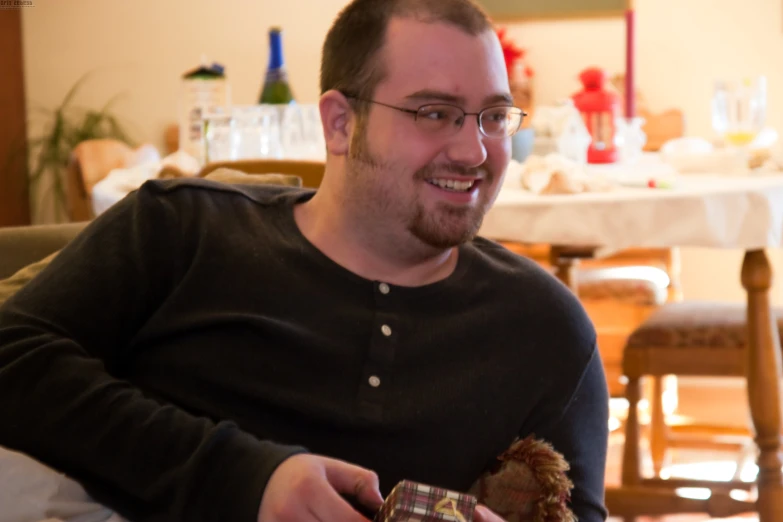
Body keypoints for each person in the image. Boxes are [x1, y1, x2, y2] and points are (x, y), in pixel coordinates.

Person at [0, 0, 609, 521]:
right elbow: (12, 351)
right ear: (341, 123)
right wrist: (245, 477)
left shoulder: (545, 330)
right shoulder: (184, 230)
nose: (474, 149)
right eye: (434, 113)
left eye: (494, 117)